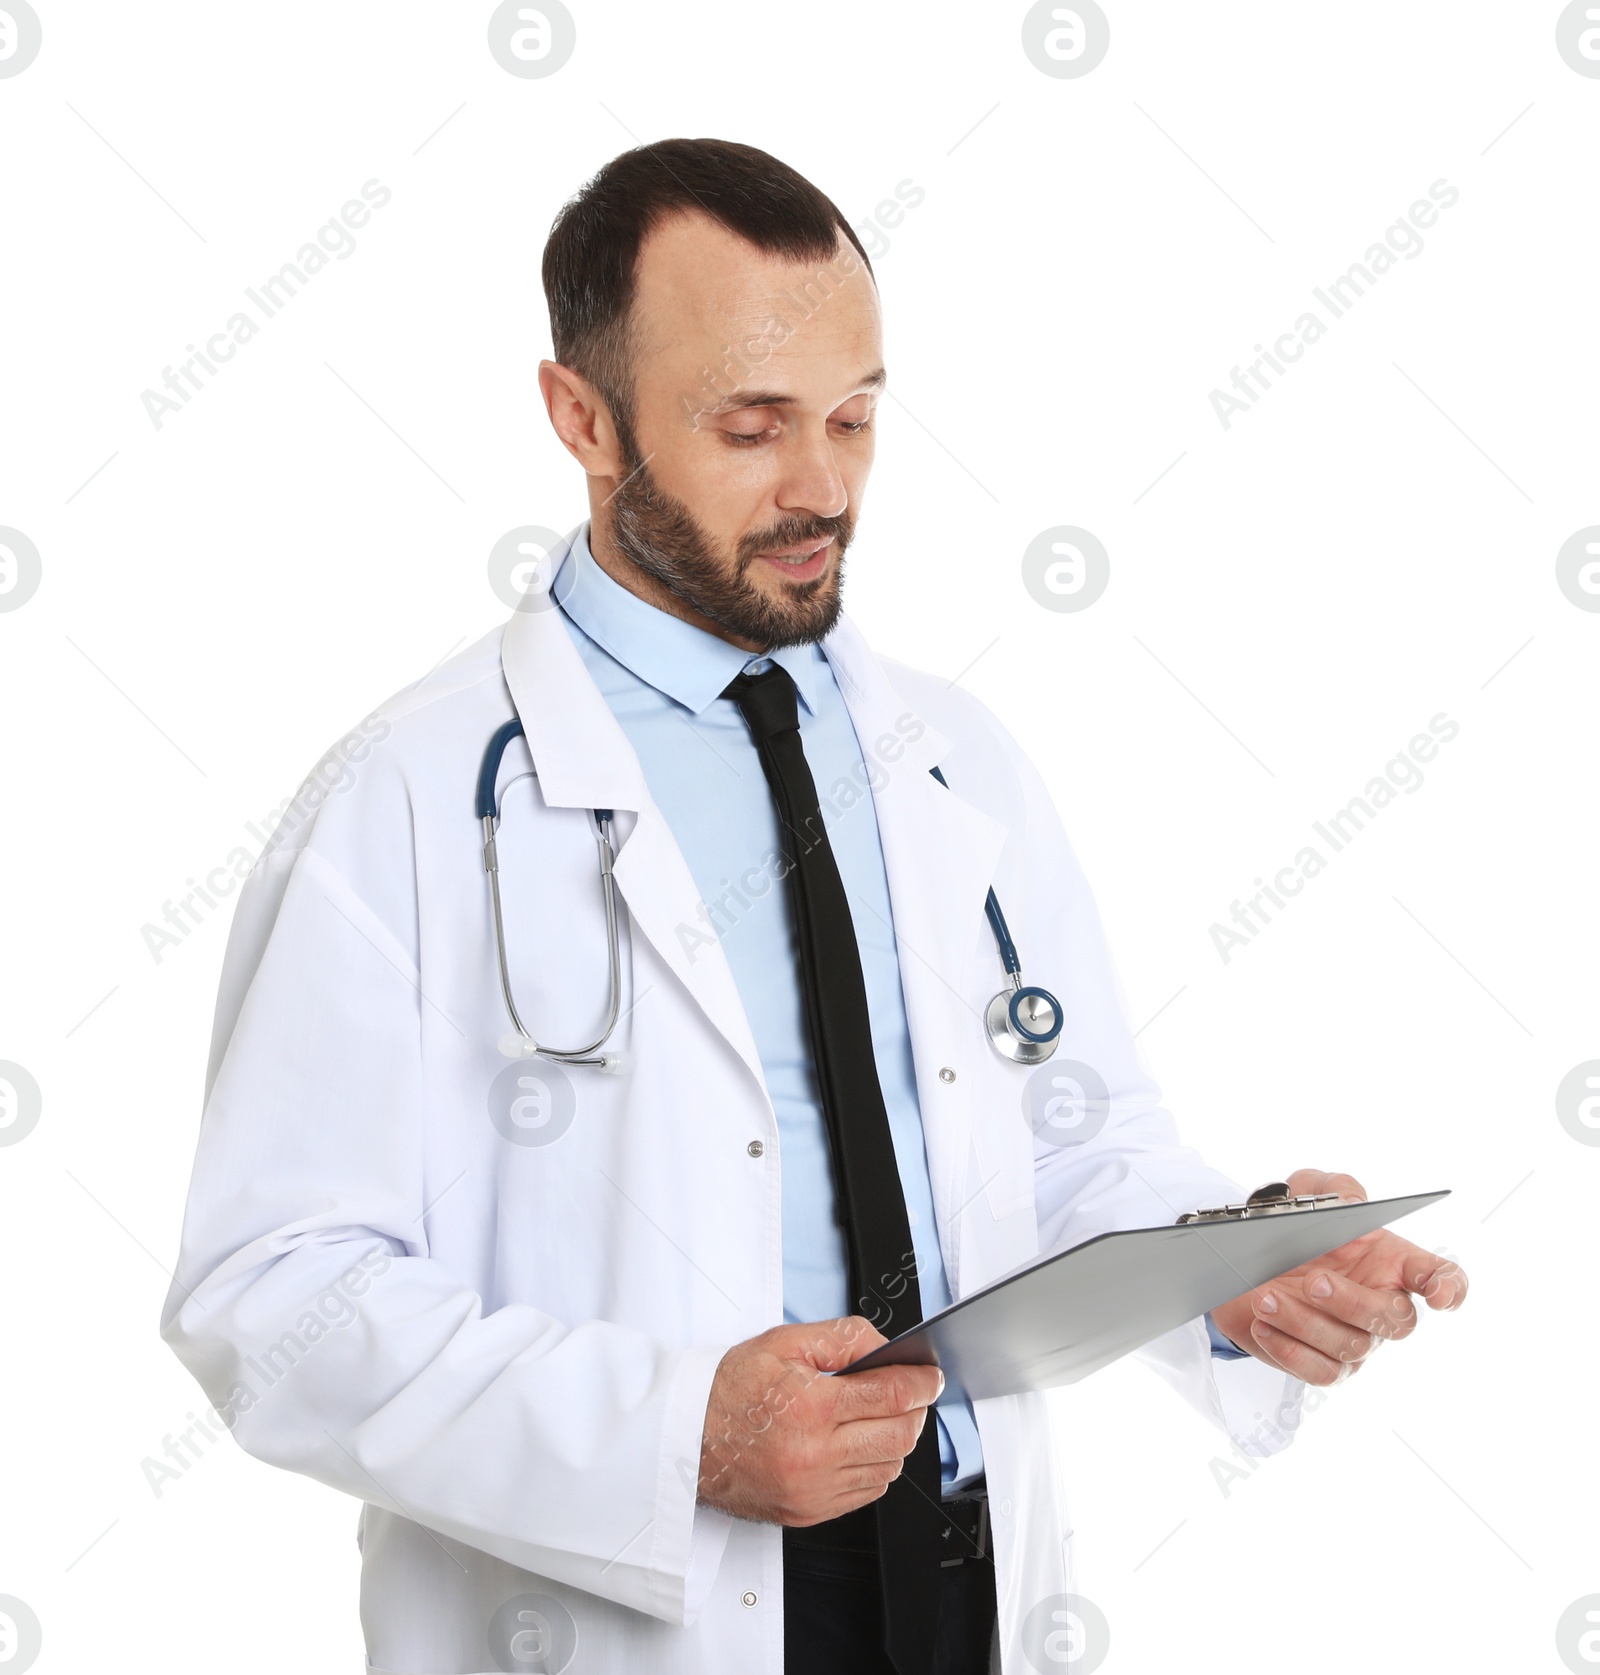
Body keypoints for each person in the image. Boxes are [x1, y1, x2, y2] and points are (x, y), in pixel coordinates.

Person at [161, 138, 1468, 1675]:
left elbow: (1072, 1139)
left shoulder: (951, 760)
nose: (822, 487)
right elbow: (271, 1299)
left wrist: (1236, 1267)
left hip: (963, 1581)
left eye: (856, 417)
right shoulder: (405, 798)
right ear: (581, 417)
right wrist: (670, 1439)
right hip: (628, 1608)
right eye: (751, 426)